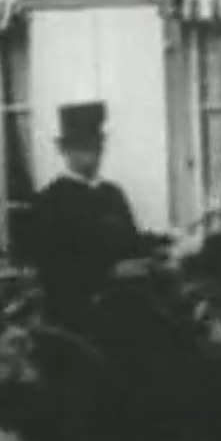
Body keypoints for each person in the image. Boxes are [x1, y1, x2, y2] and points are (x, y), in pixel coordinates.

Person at [16, 101, 151, 331]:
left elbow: (132, 242)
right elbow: (49, 265)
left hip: (124, 301)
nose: (92, 156)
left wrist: (148, 256)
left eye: (96, 147)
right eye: (83, 148)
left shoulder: (112, 193)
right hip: (76, 308)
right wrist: (108, 272)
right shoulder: (50, 200)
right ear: (64, 150)